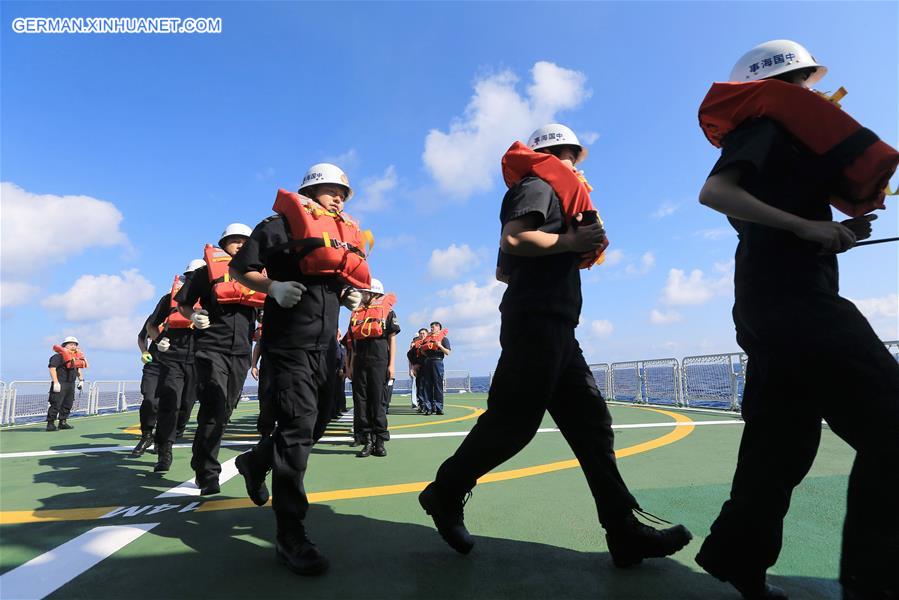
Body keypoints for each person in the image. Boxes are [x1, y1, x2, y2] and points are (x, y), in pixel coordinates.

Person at [419, 123, 692, 567]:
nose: (574, 166)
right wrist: (569, 242)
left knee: (591, 424)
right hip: (536, 324)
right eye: (568, 156)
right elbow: (513, 239)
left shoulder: (552, 193)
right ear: (552, 154)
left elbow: (504, 270)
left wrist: (561, 250)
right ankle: (445, 492)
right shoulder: (538, 186)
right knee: (514, 424)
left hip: (557, 326)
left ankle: (623, 530)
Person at [694, 40, 899, 600]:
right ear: (786, 83)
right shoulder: (769, 123)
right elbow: (716, 192)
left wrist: (836, 234)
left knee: (780, 444)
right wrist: (807, 228)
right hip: (796, 305)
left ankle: (739, 558)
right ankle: (876, 585)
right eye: (807, 80)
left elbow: (778, 227)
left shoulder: (785, 133)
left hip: (769, 305)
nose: (816, 92)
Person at [229, 163, 366, 576]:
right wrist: (272, 287)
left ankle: (255, 461)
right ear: (309, 191)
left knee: (321, 420)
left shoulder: (337, 233)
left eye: (343, 190)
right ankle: (290, 536)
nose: (339, 196)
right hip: (287, 345)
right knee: (295, 431)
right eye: (330, 189)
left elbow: (336, 275)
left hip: (325, 347)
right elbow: (239, 269)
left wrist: (347, 294)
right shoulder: (276, 226)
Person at [174, 225, 264, 493]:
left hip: (240, 352)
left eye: (243, 242)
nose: (238, 245)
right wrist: (192, 316)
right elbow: (183, 302)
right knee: (215, 401)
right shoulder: (206, 272)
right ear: (223, 245)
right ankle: (207, 473)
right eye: (233, 241)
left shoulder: (258, 275)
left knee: (224, 411)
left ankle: (202, 460)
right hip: (210, 347)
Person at [147, 259, 205, 471]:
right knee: (169, 402)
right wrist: (159, 340)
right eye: (190, 277)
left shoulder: (212, 298)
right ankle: (164, 450)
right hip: (172, 357)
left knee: (187, 405)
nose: (193, 281)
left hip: (199, 358)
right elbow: (152, 325)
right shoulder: (168, 299)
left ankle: (174, 432)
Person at [345, 278, 400, 458]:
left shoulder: (388, 313)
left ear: (374, 293)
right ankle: (367, 440)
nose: (361, 294)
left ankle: (380, 441)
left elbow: (392, 338)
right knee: (361, 403)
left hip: (379, 360)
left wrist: (391, 365)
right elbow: (352, 344)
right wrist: (351, 366)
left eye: (364, 292)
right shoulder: (356, 313)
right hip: (360, 362)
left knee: (377, 401)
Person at [132, 315, 162, 456]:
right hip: (154, 365)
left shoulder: (193, 314)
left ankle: (161, 439)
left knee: (172, 405)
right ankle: (147, 435)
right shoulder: (158, 315)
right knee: (149, 400)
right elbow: (141, 337)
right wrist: (144, 351)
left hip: (178, 364)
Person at [46, 336, 87, 431]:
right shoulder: (57, 357)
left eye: (75, 345)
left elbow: (78, 369)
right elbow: (52, 368)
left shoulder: (75, 358)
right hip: (60, 383)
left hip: (71, 383)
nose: (73, 346)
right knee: (56, 403)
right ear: (64, 346)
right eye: (70, 344)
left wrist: (81, 380)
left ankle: (63, 422)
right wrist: (56, 382)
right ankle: (50, 424)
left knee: (68, 403)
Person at [418, 322, 451, 415]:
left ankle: (438, 408)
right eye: (431, 327)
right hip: (428, 362)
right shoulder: (427, 339)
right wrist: (423, 350)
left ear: (439, 328)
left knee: (438, 385)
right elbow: (423, 352)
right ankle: (428, 408)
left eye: (433, 327)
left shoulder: (444, 339)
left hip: (438, 362)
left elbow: (448, 352)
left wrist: (439, 345)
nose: (431, 328)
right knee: (427, 385)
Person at [407, 328, 428, 411]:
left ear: (427, 334)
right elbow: (409, 354)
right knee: (420, 387)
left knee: (429, 387)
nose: (422, 335)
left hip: (429, 368)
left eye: (423, 333)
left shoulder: (430, 342)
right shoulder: (416, 344)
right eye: (420, 334)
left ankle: (431, 405)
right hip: (420, 368)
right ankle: (422, 405)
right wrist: (414, 364)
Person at [331, 329, 348, 419]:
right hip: (334, 370)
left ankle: (337, 410)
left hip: (339, 371)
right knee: (335, 392)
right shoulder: (335, 345)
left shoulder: (340, 345)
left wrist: (343, 370)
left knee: (338, 392)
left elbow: (343, 357)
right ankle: (334, 411)